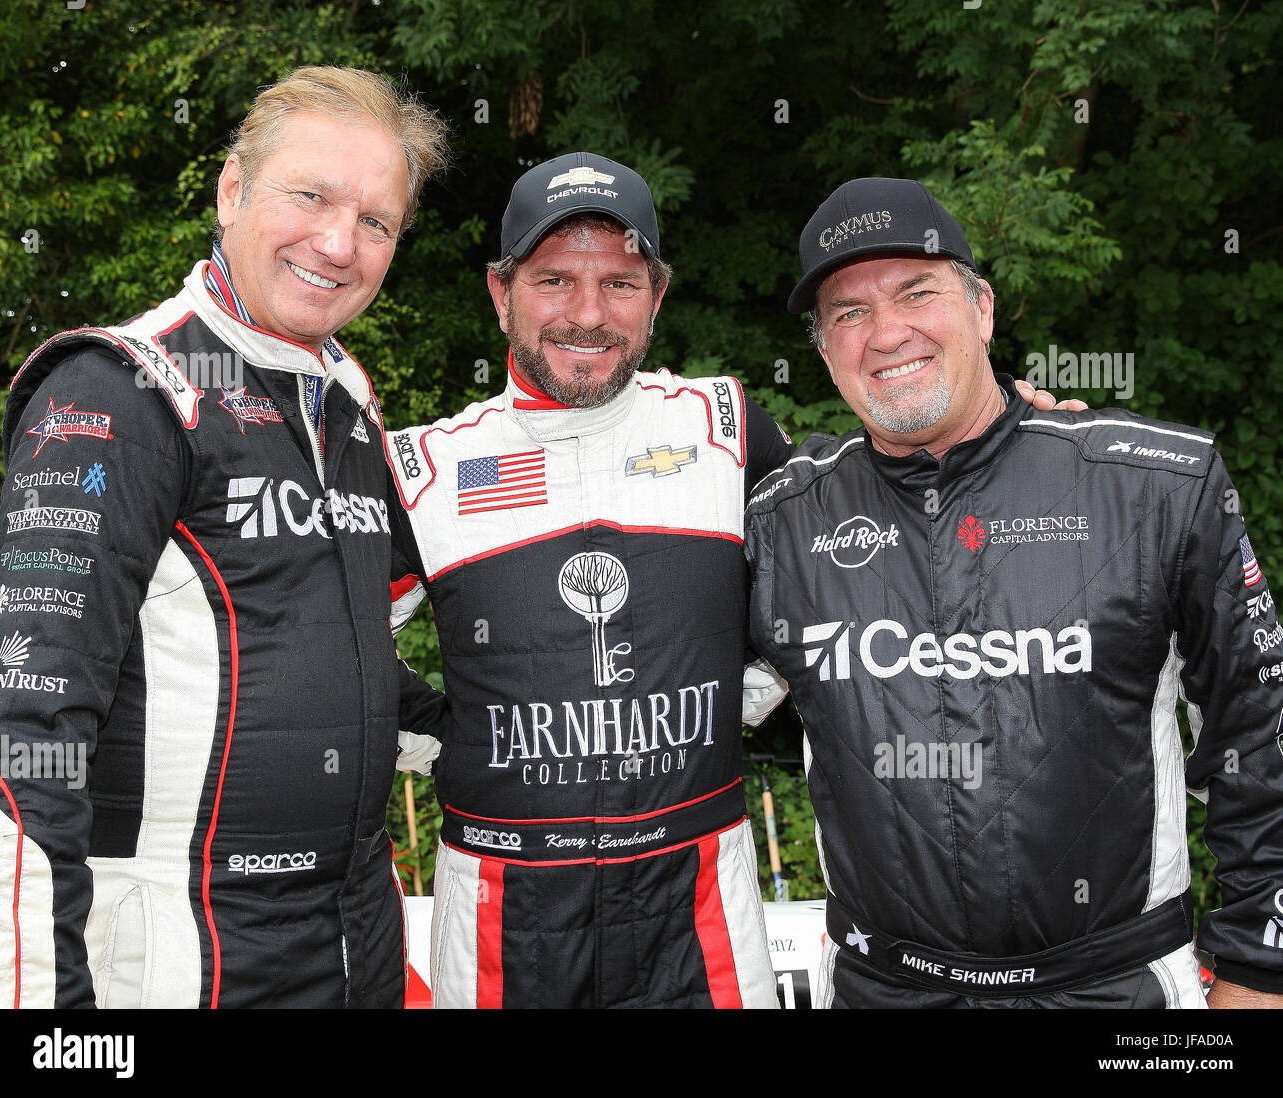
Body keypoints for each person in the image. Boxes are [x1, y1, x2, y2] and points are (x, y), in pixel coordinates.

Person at [384, 154, 1070, 1008]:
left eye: (622, 284)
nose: (589, 315)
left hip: (699, 902)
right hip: (499, 912)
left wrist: (1002, 430)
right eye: (555, 280)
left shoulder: (724, 425)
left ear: (658, 296)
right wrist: (448, 740)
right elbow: (329, 641)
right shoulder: (423, 463)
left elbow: (860, 536)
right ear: (500, 293)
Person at [744, 176, 1283, 1008]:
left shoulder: (1155, 489)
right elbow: (679, 710)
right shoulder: (781, 524)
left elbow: (1262, 747)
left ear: (983, 308)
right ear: (823, 350)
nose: (887, 333)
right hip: (881, 989)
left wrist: (1256, 973)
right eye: (849, 313)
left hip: (1117, 990)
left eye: (917, 292)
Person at [0, 66, 449, 1008]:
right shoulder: (118, 391)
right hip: (175, 957)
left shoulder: (350, 408)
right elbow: (24, 733)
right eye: (311, 196)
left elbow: (349, 671)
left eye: (376, 222)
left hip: (357, 941)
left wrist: (529, 743)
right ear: (232, 190)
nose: (337, 243)